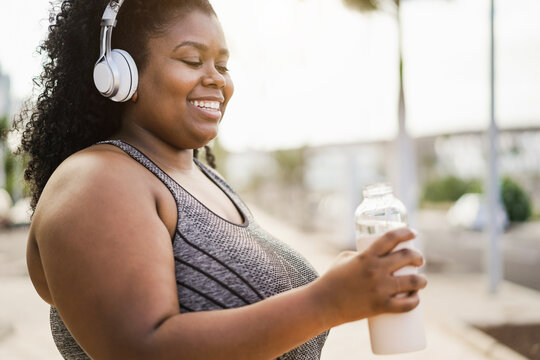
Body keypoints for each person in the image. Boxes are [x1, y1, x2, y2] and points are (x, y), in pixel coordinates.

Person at [18, 0, 427, 359]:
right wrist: (328, 301)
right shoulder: (97, 180)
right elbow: (141, 350)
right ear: (121, 74)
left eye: (223, 65)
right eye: (193, 61)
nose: (216, 79)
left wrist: (353, 285)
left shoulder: (204, 180)